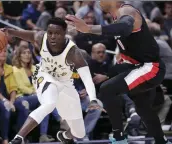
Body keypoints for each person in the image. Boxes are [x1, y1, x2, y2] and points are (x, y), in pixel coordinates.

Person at [66, 1, 171, 144]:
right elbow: (126, 57)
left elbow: (125, 27)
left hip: (150, 67)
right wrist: (108, 74)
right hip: (137, 67)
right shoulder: (116, 18)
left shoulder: (127, 11)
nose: (99, 2)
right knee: (143, 108)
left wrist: (88, 28)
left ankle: (119, 138)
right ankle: (162, 141)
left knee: (108, 89)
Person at [4, 17, 104, 144]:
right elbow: (31, 35)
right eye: (50, 33)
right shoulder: (42, 38)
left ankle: (65, 136)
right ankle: (18, 138)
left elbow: (87, 79)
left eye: (57, 33)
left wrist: (93, 99)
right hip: (44, 78)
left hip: (65, 84)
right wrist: (12, 32)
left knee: (78, 131)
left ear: (64, 34)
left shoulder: (75, 53)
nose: (52, 36)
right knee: (49, 104)